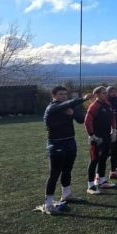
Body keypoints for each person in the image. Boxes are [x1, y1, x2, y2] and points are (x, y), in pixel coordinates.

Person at [37, 86, 89, 214]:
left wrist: (74, 112)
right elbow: (67, 104)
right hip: (56, 144)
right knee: (54, 174)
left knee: (67, 170)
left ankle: (66, 195)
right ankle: (48, 203)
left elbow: (81, 120)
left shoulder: (67, 107)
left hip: (70, 142)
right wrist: (82, 99)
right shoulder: (52, 108)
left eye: (65, 94)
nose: (64, 96)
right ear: (53, 96)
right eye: (60, 94)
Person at [84, 86, 117, 194]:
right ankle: (90, 186)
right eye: (103, 93)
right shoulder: (94, 106)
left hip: (107, 135)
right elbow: (87, 122)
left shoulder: (108, 104)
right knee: (94, 160)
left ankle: (101, 180)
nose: (105, 94)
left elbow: (112, 118)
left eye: (105, 93)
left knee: (104, 158)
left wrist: (114, 130)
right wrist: (92, 135)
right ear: (97, 95)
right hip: (97, 138)